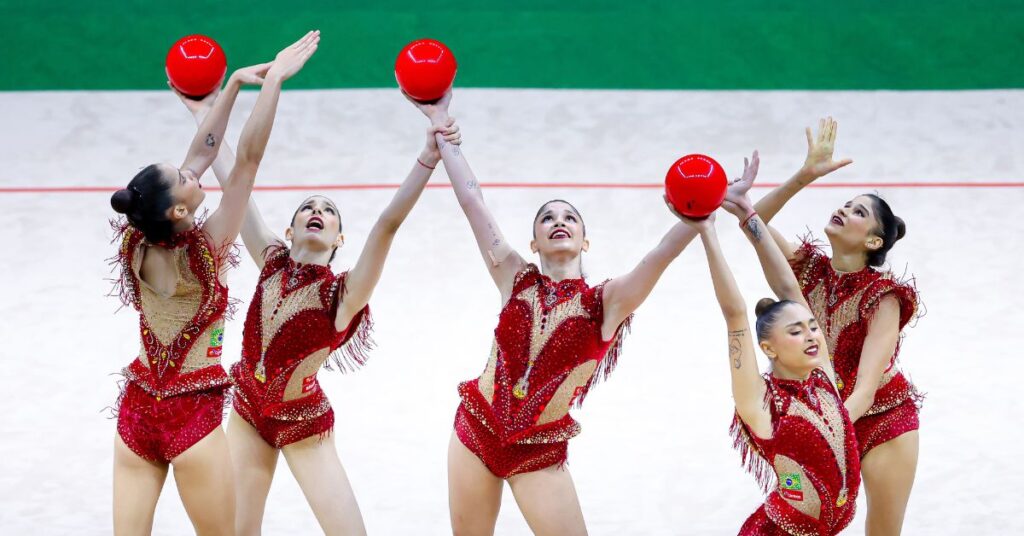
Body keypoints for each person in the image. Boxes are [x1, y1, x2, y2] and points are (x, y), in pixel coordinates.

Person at [109, 31, 320, 535]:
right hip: (191, 418)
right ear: (180, 209)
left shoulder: (137, 239)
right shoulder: (207, 247)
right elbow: (245, 160)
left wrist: (230, 87)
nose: (193, 169)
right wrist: (271, 85)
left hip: (136, 412)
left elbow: (203, 153)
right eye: (184, 177)